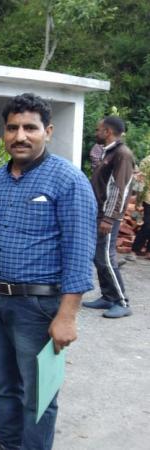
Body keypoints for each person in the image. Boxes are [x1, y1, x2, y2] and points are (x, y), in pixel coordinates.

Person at [0, 93, 97, 450]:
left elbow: (80, 252)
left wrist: (67, 316)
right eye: (12, 128)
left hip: (38, 308)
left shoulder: (68, 180)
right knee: (3, 386)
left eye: (30, 128)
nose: (20, 136)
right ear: (4, 134)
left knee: (38, 396)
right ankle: (7, 445)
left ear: (47, 131)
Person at [83, 116, 135, 318]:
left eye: (98, 130)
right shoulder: (109, 152)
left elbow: (118, 189)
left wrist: (109, 218)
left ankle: (122, 301)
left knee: (106, 257)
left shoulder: (121, 154)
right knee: (99, 257)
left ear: (108, 131)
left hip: (108, 216)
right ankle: (107, 297)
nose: (96, 133)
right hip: (100, 214)